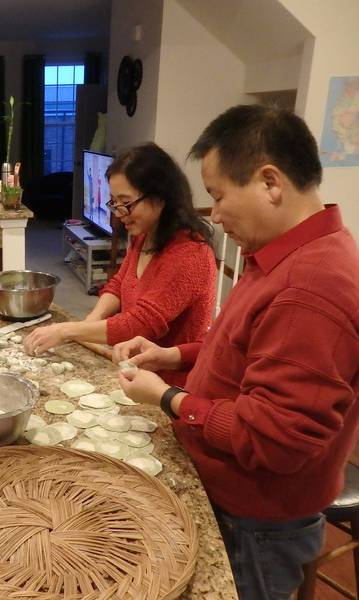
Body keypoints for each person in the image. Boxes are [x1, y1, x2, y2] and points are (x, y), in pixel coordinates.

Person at [113, 105, 359, 600]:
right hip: (230, 489)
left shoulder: (310, 287)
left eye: (220, 196)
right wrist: (172, 357)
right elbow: (237, 348)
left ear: (270, 182)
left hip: (257, 517)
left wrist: (168, 399)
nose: (216, 214)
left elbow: (276, 437)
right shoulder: (277, 254)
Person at [24, 142, 217, 386]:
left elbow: (138, 324)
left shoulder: (190, 254)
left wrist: (66, 330)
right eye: (114, 202)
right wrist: (88, 324)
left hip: (171, 386)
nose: (118, 213)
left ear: (160, 198)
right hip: (134, 369)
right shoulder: (144, 234)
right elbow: (118, 285)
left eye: (125, 202)